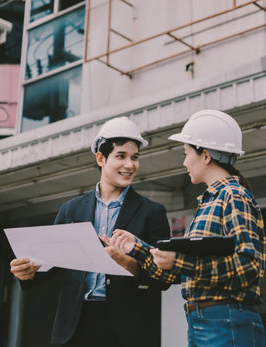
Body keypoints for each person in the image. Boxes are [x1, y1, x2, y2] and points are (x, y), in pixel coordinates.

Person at [104, 110, 266, 347]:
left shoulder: (234, 195)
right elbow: (177, 273)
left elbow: (248, 267)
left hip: (227, 321)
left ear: (206, 155)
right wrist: (138, 248)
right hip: (203, 321)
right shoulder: (208, 201)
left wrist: (179, 261)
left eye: (186, 153)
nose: (184, 162)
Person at [10, 116, 170, 347]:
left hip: (128, 330)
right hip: (74, 327)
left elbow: (163, 278)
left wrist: (127, 263)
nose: (130, 165)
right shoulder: (71, 209)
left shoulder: (152, 211)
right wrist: (27, 272)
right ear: (101, 158)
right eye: (121, 156)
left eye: (135, 157)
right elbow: (51, 266)